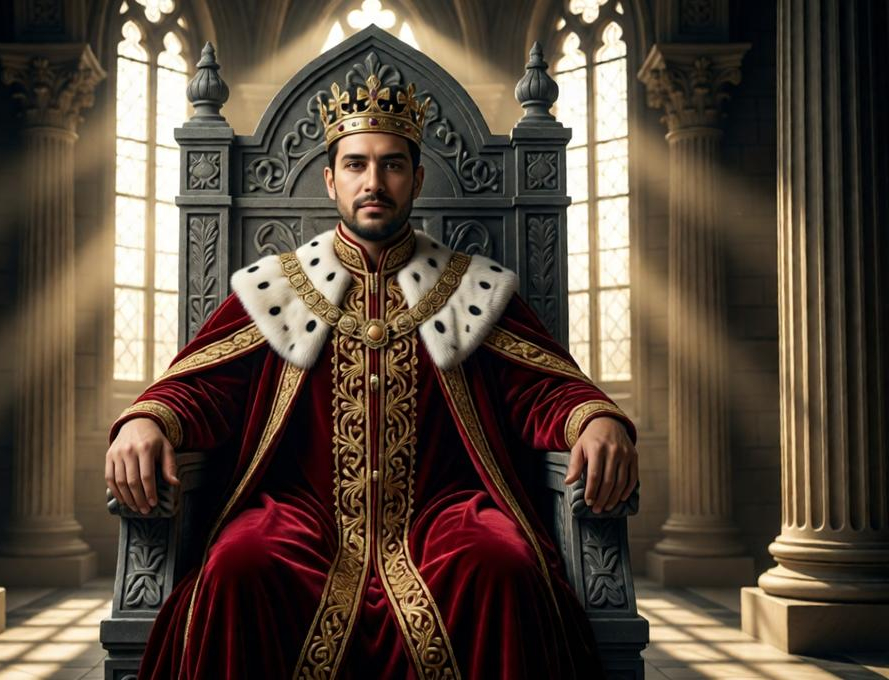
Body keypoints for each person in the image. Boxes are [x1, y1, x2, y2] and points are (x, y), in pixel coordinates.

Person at [105, 74, 638, 679]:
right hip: (299, 518)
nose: (373, 182)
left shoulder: (471, 286)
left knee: (505, 567)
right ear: (330, 179)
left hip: (444, 517)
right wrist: (147, 418)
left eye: (391, 166)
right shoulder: (275, 286)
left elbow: (542, 387)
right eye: (355, 165)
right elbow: (201, 386)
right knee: (237, 566)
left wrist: (594, 418)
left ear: (416, 177)